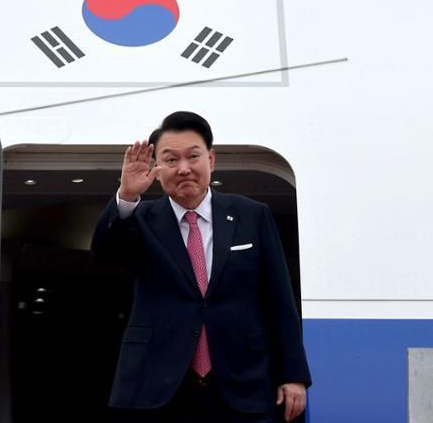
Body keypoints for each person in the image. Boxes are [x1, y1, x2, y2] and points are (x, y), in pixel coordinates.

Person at [91, 111, 311, 423]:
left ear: (211, 159)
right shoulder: (139, 218)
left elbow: (279, 299)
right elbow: (103, 254)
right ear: (156, 168)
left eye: (193, 156)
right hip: (158, 382)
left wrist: (293, 374)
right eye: (170, 159)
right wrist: (127, 196)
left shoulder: (252, 215)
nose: (183, 168)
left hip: (243, 380)